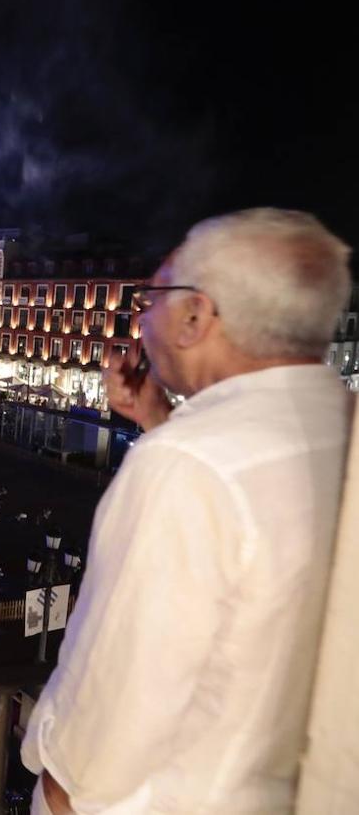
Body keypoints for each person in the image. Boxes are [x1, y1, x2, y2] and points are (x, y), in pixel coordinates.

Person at [22, 209, 353, 815]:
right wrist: (158, 418)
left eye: (152, 297)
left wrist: (56, 791)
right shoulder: (343, 428)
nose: (140, 316)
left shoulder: (183, 465)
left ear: (196, 315)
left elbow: (111, 695)